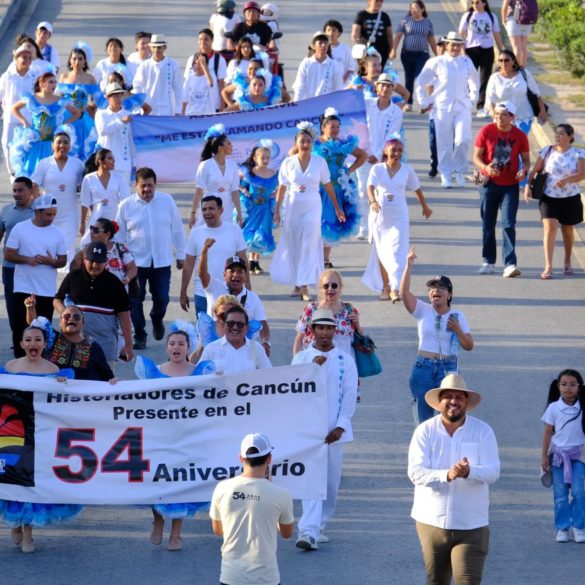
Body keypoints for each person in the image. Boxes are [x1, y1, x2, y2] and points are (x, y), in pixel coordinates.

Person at [408, 374, 500, 584]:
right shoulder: (424, 432)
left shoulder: (483, 432)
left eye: (459, 397)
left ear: (466, 402)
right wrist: (446, 475)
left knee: (468, 581)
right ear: (439, 402)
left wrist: (469, 472)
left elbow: (493, 472)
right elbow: (415, 473)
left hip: (471, 524)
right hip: (432, 521)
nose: (453, 401)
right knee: (436, 581)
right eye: (448, 396)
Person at [0, 324, 78, 554]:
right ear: (22, 344)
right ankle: (16, 522)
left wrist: (62, 385)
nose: (33, 343)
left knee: (35, 481)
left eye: (37, 339)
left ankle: (28, 534)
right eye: (28, 339)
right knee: (15, 477)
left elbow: (61, 401)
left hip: (42, 434)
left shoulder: (53, 368)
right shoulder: (11, 367)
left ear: (45, 344)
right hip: (15, 433)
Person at [135, 327, 211, 551]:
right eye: (172, 343)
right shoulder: (153, 371)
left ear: (188, 348)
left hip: (187, 438)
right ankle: (158, 520)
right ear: (167, 348)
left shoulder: (200, 372)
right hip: (158, 437)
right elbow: (136, 400)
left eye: (181, 343)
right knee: (157, 480)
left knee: (182, 484)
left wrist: (217, 382)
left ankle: (176, 533)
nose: (176, 347)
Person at [292, 309, 358, 550]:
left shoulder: (345, 360)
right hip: (308, 432)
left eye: (329, 328)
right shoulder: (301, 359)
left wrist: (340, 426)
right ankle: (307, 531)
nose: (325, 333)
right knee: (312, 481)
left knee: (330, 484)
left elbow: (349, 394)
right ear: (312, 330)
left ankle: (319, 526)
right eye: (320, 327)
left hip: (334, 432)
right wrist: (312, 368)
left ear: (334, 331)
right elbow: (292, 390)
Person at [270, 122, 345, 301]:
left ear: (313, 143)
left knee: (309, 243)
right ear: (296, 143)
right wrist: (277, 211)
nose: (305, 144)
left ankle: (304, 286)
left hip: (312, 204)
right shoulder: (288, 163)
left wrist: (337, 207)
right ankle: (297, 282)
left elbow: (327, 185)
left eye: (308, 141)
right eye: (302, 141)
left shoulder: (319, 162)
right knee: (294, 243)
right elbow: (282, 187)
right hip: (293, 205)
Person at [400, 248, 474, 424]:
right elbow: (403, 293)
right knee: (423, 422)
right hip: (423, 367)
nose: (436, 291)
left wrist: (457, 329)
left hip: (447, 369)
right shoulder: (422, 310)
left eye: (441, 288)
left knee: (450, 419)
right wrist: (408, 265)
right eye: (432, 288)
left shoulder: (458, 316)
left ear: (450, 294)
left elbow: (469, 345)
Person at [210, 433, 294, 585]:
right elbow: (286, 533)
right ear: (269, 459)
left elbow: (218, 530)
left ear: (241, 458)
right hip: (266, 578)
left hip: (231, 576)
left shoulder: (222, 488)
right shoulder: (282, 495)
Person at [116, 167, 186, 350]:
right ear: (135, 185)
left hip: (161, 261)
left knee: (162, 299)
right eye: (143, 186)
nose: (147, 190)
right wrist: (121, 261)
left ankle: (156, 318)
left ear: (156, 185)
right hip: (135, 263)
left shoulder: (167, 201)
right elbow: (119, 236)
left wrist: (181, 254)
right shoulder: (126, 205)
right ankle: (140, 335)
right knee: (134, 302)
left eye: (150, 186)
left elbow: (177, 228)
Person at [362, 138, 432, 302]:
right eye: (393, 150)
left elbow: (417, 188)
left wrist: (425, 206)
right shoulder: (377, 169)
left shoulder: (407, 170)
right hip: (380, 215)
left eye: (400, 150)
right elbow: (370, 187)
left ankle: (395, 287)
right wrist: (373, 201)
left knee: (397, 251)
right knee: (382, 252)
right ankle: (386, 286)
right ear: (386, 152)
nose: (397, 153)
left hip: (399, 215)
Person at [415, 31, 479, 189]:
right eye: (452, 44)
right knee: (443, 143)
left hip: (462, 105)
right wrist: (423, 101)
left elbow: (475, 81)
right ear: (446, 45)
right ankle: (445, 173)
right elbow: (421, 80)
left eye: (458, 45)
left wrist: (473, 99)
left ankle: (458, 170)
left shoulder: (466, 62)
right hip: (442, 106)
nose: (455, 48)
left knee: (463, 139)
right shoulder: (436, 62)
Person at [5, 195, 67, 357]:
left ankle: (40, 365)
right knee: (21, 328)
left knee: (42, 330)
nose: (52, 218)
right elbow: (8, 254)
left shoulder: (58, 233)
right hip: (23, 287)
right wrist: (27, 260)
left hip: (46, 290)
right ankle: (20, 365)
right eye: (48, 214)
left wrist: (50, 261)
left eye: (54, 214)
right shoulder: (20, 228)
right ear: (37, 212)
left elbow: (62, 260)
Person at [472, 101, 529, 278]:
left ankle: (510, 264)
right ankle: (488, 261)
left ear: (512, 117)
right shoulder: (486, 131)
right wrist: (486, 168)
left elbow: (526, 160)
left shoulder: (520, 136)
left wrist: (523, 171)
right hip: (489, 185)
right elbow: (476, 157)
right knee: (488, 224)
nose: (499, 117)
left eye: (504, 114)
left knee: (508, 224)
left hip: (510, 186)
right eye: (497, 113)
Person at [54, 241, 133, 363]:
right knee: (74, 379)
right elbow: (57, 299)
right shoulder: (73, 277)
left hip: (105, 345)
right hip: (74, 341)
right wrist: (66, 313)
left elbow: (124, 315)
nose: (95, 265)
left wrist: (128, 345)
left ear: (105, 261)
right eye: (91, 261)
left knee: (105, 380)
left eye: (99, 262)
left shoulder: (115, 283)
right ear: (84, 259)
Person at [524, 124, 585, 279]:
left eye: (561, 133)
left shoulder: (578, 153)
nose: (557, 136)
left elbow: (581, 175)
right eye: (556, 133)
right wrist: (527, 186)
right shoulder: (547, 151)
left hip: (570, 198)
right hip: (549, 197)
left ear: (570, 136)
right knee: (550, 228)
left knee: (567, 230)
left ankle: (567, 261)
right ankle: (548, 266)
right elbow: (536, 170)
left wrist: (567, 180)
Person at [314, 107, 366, 266]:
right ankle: (314, 257)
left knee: (330, 222)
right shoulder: (314, 142)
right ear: (323, 128)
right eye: (332, 127)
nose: (335, 130)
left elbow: (363, 155)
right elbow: (295, 153)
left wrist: (349, 170)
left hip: (336, 188)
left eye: (337, 127)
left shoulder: (344, 144)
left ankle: (325, 259)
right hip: (317, 188)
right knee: (315, 222)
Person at [181, 195, 247, 319]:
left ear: (221, 210)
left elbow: (243, 261)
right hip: (202, 293)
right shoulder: (196, 233)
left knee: (228, 332)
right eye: (204, 209)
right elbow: (188, 264)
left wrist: (247, 288)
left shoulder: (234, 231)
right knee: (205, 334)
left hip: (230, 293)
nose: (207, 212)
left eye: (211, 208)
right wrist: (183, 292)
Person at [356, 73, 404, 239]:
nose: (385, 89)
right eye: (382, 85)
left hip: (383, 158)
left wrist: (378, 155)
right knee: (363, 190)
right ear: (376, 87)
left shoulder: (396, 112)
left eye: (388, 86)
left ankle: (377, 224)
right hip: (363, 155)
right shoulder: (366, 104)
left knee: (380, 193)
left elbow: (391, 136)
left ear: (392, 89)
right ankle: (364, 226)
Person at [199, 246, 270, 352]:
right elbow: (202, 274)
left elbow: (263, 324)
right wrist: (204, 253)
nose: (235, 275)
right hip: (214, 347)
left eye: (240, 271)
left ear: (245, 276)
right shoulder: (214, 287)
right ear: (224, 274)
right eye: (231, 271)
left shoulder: (253, 298)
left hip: (242, 349)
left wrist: (266, 343)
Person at [541, 369, 585, 543]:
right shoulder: (553, 408)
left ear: (579, 387)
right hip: (558, 457)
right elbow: (546, 433)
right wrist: (544, 457)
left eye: (572, 384)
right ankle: (563, 527)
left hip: (579, 456)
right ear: (558, 387)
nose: (568, 388)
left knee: (579, 492)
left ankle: (579, 527)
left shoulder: (583, 407)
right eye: (564, 384)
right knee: (560, 493)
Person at [25, 298, 116, 382]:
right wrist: (30, 308)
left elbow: (107, 377)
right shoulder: (51, 337)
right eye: (67, 316)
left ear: (82, 323)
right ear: (60, 322)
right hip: (51, 395)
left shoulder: (93, 347)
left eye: (76, 317)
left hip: (82, 398)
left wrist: (114, 382)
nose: (71, 318)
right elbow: (35, 324)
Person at [10, 71, 80, 179]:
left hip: (52, 143)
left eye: (55, 82)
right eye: (51, 82)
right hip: (36, 142)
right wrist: (24, 121)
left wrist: (66, 122)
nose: (54, 85)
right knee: (33, 173)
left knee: (51, 173)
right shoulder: (32, 98)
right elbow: (14, 108)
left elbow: (77, 112)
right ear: (42, 83)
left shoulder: (59, 100)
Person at [31, 131, 85, 267]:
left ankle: (67, 282)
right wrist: (39, 206)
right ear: (52, 145)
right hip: (48, 214)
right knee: (46, 247)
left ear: (70, 146)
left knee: (68, 248)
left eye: (66, 142)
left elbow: (84, 186)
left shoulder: (77, 164)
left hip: (69, 214)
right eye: (59, 142)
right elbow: (34, 185)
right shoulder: (44, 163)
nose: (62, 145)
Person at [293, 269, 364, 358]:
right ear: (321, 289)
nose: (330, 289)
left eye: (334, 285)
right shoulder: (311, 309)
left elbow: (361, 337)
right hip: (315, 364)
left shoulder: (349, 310)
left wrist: (357, 325)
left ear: (340, 288)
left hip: (343, 366)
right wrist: (296, 362)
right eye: (326, 286)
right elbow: (299, 340)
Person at [190, 124, 242, 228]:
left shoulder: (233, 165)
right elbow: (199, 191)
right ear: (220, 148)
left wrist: (239, 212)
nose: (232, 146)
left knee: (225, 236)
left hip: (226, 207)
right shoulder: (205, 165)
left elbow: (235, 191)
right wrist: (193, 213)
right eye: (229, 144)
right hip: (209, 205)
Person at [0, 177, 35, 332]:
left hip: (32, 266)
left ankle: (32, 335)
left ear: (30, 190)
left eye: (20, 190)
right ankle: (17, 337)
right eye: (14, 190)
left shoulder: (39, 211)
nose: (16, 193)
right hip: (10, 266)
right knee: (12, 303)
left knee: (32, 302)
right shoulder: (6, 211)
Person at [485, 49, 547, 135]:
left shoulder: (524, 73)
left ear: (513, 61)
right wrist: (493, 114)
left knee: (517, 143)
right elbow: (490, 99)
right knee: (506, 145)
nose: (503, 63)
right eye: (500, 60)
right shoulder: (494, 78)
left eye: (506, 60)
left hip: (523, 118)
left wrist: (542, 111)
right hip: (502, 119)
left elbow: (537, 94)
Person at [459, 0, 504, 116]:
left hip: (487, 50)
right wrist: (463, 51)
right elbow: (462, 34)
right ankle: (467, 103)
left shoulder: (491, 16)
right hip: (471, 50)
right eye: (473, 2)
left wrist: (501, 51)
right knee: (469, 78)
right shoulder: (467, 16)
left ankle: (481, 106)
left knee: (485, 78)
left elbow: (496, 34)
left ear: (484, 3)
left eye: (477, 2)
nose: (475, 4)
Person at [390, 1, 437, 111]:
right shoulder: (405, 21)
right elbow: (397, 37)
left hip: (422, 54)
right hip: (407, 54)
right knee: (409, 77)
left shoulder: (428, 23)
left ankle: (423, 102)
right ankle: (409, 103)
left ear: (422, 9)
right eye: (412, 8)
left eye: (416, 8)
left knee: (420, 77)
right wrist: (393, 50)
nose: (414, 10)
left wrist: (438, 55)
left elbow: (431, 40)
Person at [239, 142, 278, 272]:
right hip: (253, 208)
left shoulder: (273, 173)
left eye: (267, 157)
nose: (265, 160)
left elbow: (281, 187)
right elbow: (237, 182)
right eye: (263, 158)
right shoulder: (250, 173)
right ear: (255, 158)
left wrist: (274, 194)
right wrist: (244, 192)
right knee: (252, 232)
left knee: (262, 234)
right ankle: (251, 261)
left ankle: (256, 261)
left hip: (266, 209)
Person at [199, 305, 272, 373]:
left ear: (246, 328)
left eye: (240, 324)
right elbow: (200, 376)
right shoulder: (211, 349)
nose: (235, 327)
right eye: (231, 323)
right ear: (224, 325)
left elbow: (269, 375)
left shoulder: (256, 348)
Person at [57, 47, 101, 161]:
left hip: (84, 117)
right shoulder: (64, 77)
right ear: (70, 61)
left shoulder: (90, 78)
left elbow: (96, 99)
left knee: (85, 143)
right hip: (68, 116)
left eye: (80, 59)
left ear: (84, 61)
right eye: (74, 59)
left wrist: (90, 105)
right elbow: (58, 98)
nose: (77, 61)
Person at [70, 217, 137, 289]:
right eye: (91, 228)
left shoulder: (120, 248)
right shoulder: (87, 248)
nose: (91, 232)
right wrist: (78, 257)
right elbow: (74, 271)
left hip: (118, 293)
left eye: (96, 230)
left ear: (107, 234)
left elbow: (132, 267)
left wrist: (127, 278)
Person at [0, 45, 36, 177]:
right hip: (11, 118)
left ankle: (25, 172)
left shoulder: (35, 76)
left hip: (29, 118)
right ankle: (13, 173)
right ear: (16, 59)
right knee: (7, 144)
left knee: (28, 146)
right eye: (23, 57)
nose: (27, 60)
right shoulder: (7, 77)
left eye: (29, 58)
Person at [79, 148, 130, 236]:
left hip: (115, 220)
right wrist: (82, 223)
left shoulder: (120, 177)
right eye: (110, 158)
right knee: (94, 247)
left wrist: (127, 221)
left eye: (113, 158)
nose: (113, 161)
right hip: (97, 220)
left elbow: (125, 200)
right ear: (100, 161)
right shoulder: (88, 178)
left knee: (115, 246)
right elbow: (85, 202)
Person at [132, 34, 182, 115]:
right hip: (149, 111)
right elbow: (137, 87)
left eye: (159, 47)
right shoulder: (144, 66)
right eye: (154, 47)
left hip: (167, 111)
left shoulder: (173, 65)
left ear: (164, 48)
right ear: (150, 48)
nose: (156, 50)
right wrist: (137, 107)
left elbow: (178, 89)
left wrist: (178, 110)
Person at [94, 82, 134, 184]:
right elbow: (102, 130)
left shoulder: (128, 114)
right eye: (115, 96)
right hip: (106, 162)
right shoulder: (101, 114)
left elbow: (131, 140)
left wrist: (135, 162)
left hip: (124, 162)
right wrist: (121, 121)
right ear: (108, 98)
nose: (119, 99)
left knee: (124, 194)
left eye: (120, 95)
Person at [184, 29, 228, 113]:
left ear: (212, 41)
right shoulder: (192, 59)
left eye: (206, 39)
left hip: (213, 105)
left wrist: (222, 105)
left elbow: (221, 83)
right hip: (195, 107)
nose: (203, 42)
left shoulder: (219, 59)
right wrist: (183, 107)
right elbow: (187, 84)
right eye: (200, 39)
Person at [292, 32, 343, 101]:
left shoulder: (334, 65)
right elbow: (300, 86)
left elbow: (338, 89)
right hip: (308, 105)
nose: (323, 45)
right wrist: (297, 105)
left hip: (327, 107)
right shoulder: (306, 63)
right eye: (320, 43)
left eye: (325, 43)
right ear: (314, 46)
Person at [352, 0, 394, 69]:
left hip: (382, 50)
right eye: (376, 1)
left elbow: (389, 35)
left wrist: (392, 50)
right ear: (369, 1)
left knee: (379, 72)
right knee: (363, 72)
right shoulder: (361, 14)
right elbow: (355, 31)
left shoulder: (384, 16)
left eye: (381, 1)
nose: (379, 3)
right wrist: (355, 38)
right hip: (365, 50)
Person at [501, 0, 531, 67]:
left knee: (516, 46)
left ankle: (517, 69)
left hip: (513, 19)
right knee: (523, 45)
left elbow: (505, 6)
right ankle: (523, 68)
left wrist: (503, 20)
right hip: (527, 19)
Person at [324, 19, 355, 84]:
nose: (331, 33)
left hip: (341, 87)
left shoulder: (345, 49)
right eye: (328, 30)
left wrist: (341, 81)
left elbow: (351, 69)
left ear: (339, 33)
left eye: (334, 30)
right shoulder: (322, 49)